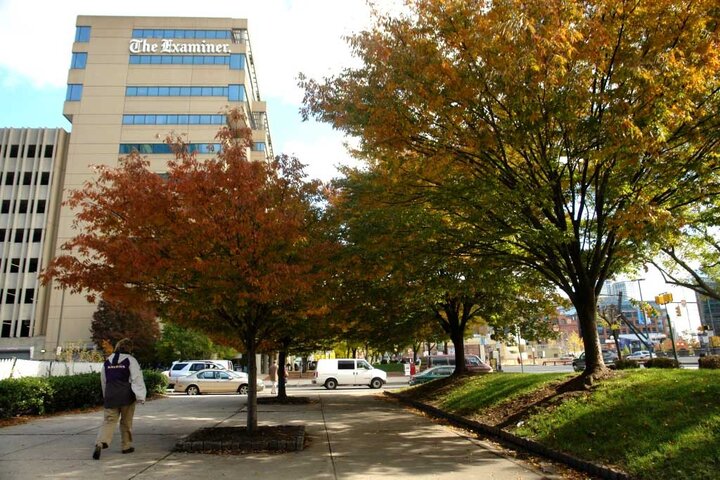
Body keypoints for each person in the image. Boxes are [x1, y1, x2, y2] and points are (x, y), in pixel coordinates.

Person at [93, 338, 146, 460]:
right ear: (129, 348)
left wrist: (106, 395)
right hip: (126, 395)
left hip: (111, 395)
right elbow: (136, 378)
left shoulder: (108, 361)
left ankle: (100, 443)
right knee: (126, 422)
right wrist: (140, 396)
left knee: (109, 421)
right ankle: (126, 446)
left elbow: (104, 381)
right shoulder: (131, 360)